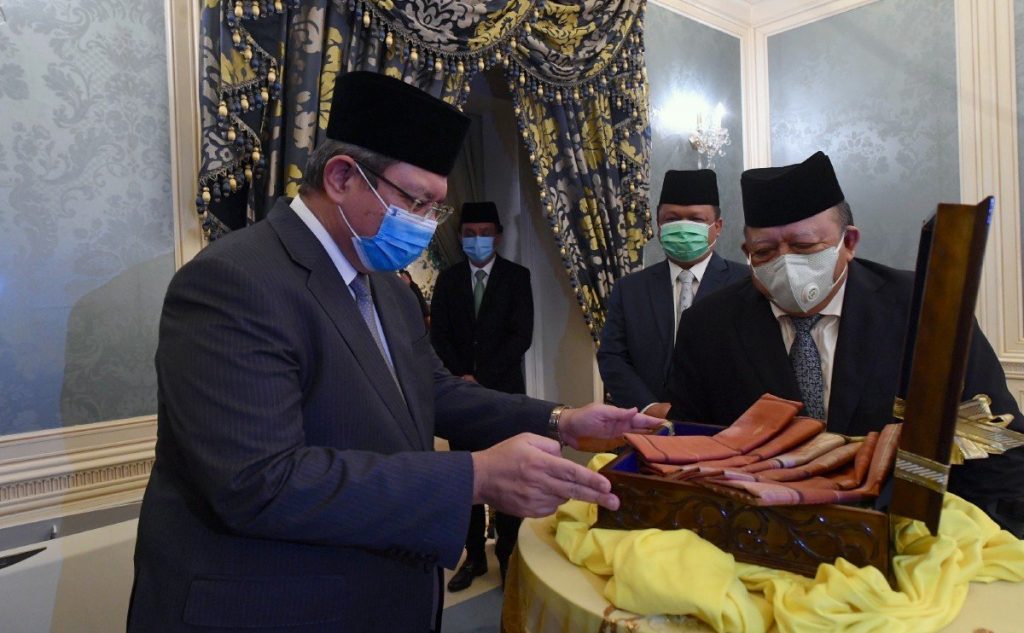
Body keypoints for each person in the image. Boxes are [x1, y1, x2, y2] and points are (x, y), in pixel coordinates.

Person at [127, 71, 660, 632]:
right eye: (416, 201)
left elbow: (433, 390)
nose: (426, 225)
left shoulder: (389, 287)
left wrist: (562, 420)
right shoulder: (233, 280)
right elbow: (259, 481)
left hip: (378, 592)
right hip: (274, 605)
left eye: (435, 209)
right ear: (341, 177)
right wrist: (473, 477)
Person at [666, 150, 1024, 534]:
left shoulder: (924, 308)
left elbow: (995, 444)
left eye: (804, 247)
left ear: (849, 242)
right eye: (765, 252)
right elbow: (690, 448)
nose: (785, 264)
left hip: (904, 535)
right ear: (747, 254)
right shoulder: (709, 326)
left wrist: (997, 539)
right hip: (760, 534)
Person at [430, 201, 534, 591]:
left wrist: (481, 378)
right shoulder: (448, 280)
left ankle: (508, 556)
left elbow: (520, 336)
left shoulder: (517, 277)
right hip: (460, 398)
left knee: (509, 476)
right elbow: (438, 336)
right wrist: (462, 378)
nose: (477, 240)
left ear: (498, 236)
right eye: (470, 234)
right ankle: (473, 556)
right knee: (466, 476)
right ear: (460, 237)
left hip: (504, 396)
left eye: (485, 233)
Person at [598, 169, 747, 418]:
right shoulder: (630, 289)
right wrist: (649, 407)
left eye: (696, 219)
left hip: (726, 425)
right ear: (658, 225)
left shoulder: (745, 283)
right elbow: (612, 357)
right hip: (649, 425)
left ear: (718, 226)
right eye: (672, 219)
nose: (683, 228)